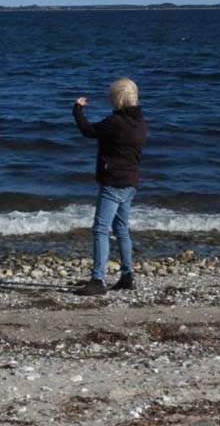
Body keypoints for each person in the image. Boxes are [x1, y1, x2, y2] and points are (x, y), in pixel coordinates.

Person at [71, 78, 147, 296]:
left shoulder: (115, 123)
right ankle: (127, 275)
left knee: (100, 229)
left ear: (117, 98)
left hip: (113, 182)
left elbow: (88, 130)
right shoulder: (141, 123)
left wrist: (77, 109)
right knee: (121, 228)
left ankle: (98, 279)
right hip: (131, 182)